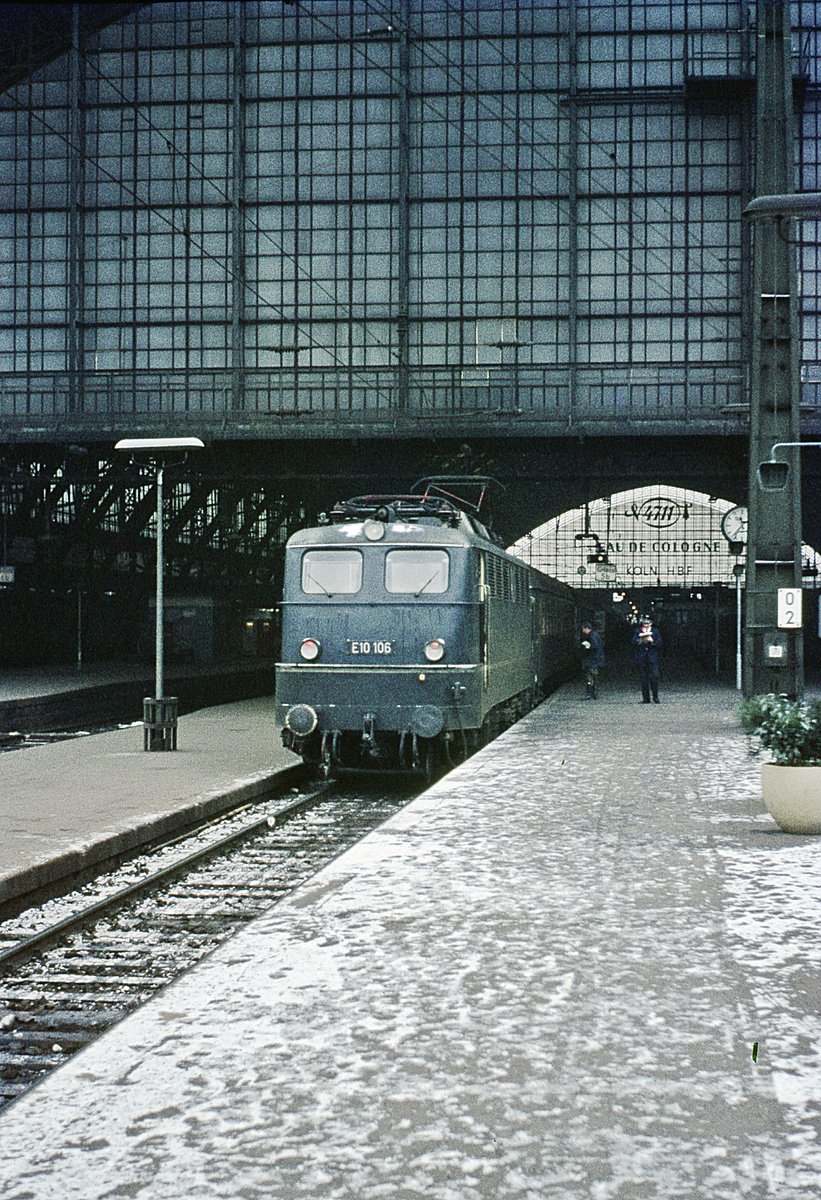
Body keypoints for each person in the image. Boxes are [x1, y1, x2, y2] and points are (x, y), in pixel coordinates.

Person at [631, 615, 662, 704]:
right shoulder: (638, 631)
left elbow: (660, 643)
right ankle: (646, 698)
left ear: (651, 623)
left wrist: (652, 642)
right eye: (644, 623)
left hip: (652, 657)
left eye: (647, 623)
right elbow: (633, 641)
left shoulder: (655, 631)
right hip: (642, 657)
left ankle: (655, 697)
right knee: (643, 678)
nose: (646, 625)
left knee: (654, 677)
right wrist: (640, 641)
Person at [580, 620, 605, 699]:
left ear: (586, 628)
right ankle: (593, 693)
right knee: (593, 677)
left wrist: (588, 646)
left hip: (592, 660)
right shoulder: (595, 634)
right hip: (594, 660)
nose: (583, 631)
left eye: (583, 629)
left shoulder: (592, 636)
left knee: (590, 677)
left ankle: (591, 694)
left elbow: (595, 646)